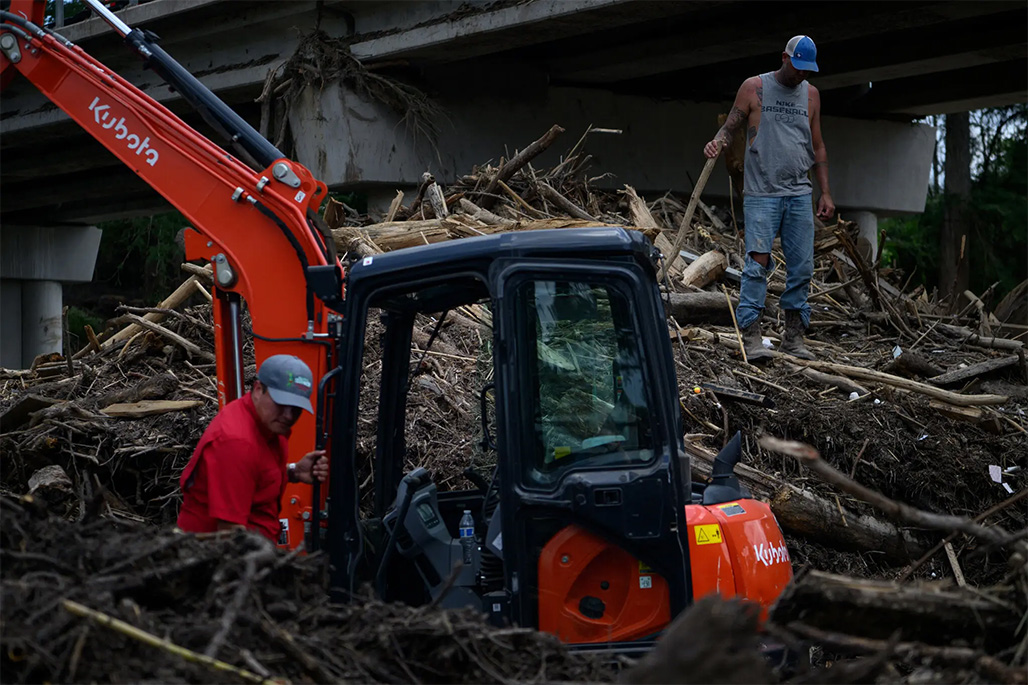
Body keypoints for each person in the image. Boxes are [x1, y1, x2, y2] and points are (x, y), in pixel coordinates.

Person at [704, 35, 835, 361]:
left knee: (802, 267)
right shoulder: (753, 87)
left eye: (808, 70)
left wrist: (825, 192)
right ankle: (751, 336)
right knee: (757, 263)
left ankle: (793, 339)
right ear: (784, 58)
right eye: (798, 67)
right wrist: (717, 141)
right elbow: (730, 127)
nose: (802, 75)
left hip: (798, 192)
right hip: (762, 192)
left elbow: (818, 146)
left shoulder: (812, 96)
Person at [177, 354, 328, 542]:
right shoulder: (236, 442)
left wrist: (293, 472)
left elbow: (254, 476)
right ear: (258, 389)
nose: (289, 415)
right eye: (281, 404)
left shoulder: (268, 426)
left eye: (296, 408)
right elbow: (229, 536)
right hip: (218, 560)